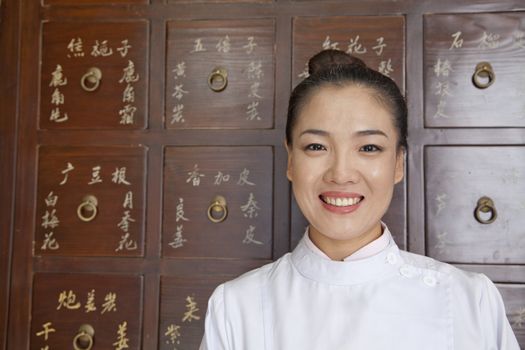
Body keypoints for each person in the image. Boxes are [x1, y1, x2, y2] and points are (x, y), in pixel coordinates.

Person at [199, 50, 520, 349]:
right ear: (291, 160)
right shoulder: (236, 307)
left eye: (369, 148)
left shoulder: (469, 300)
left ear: (397, 163)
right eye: (316, 147)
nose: (341, 174)